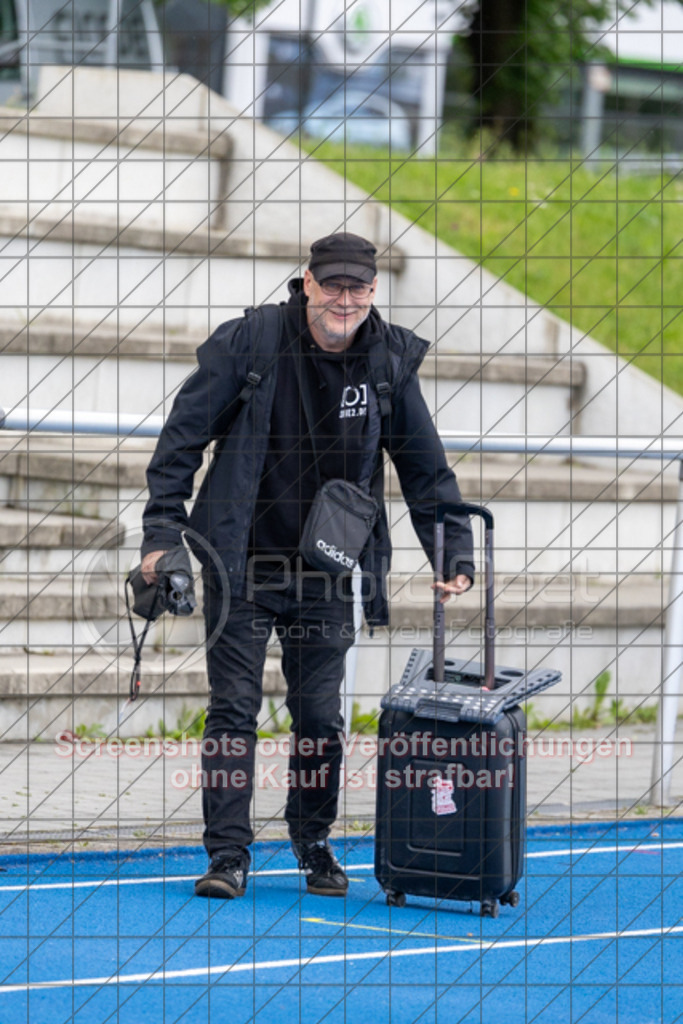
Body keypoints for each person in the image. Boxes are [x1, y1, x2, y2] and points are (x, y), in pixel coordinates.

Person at [140, 232, 475, 900]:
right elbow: (183, 436)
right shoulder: (252, 341)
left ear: (372, 291)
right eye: (333, 286)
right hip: (241, 560)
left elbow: (422, 466)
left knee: (319, 716)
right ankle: (227, 855)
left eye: (357, 287)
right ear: (308, 283)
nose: (344, 299)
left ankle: (312, 842)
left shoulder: (386, 361)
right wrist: (160, 533)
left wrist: (451, 549)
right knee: (233, 709)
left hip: (325, 571)